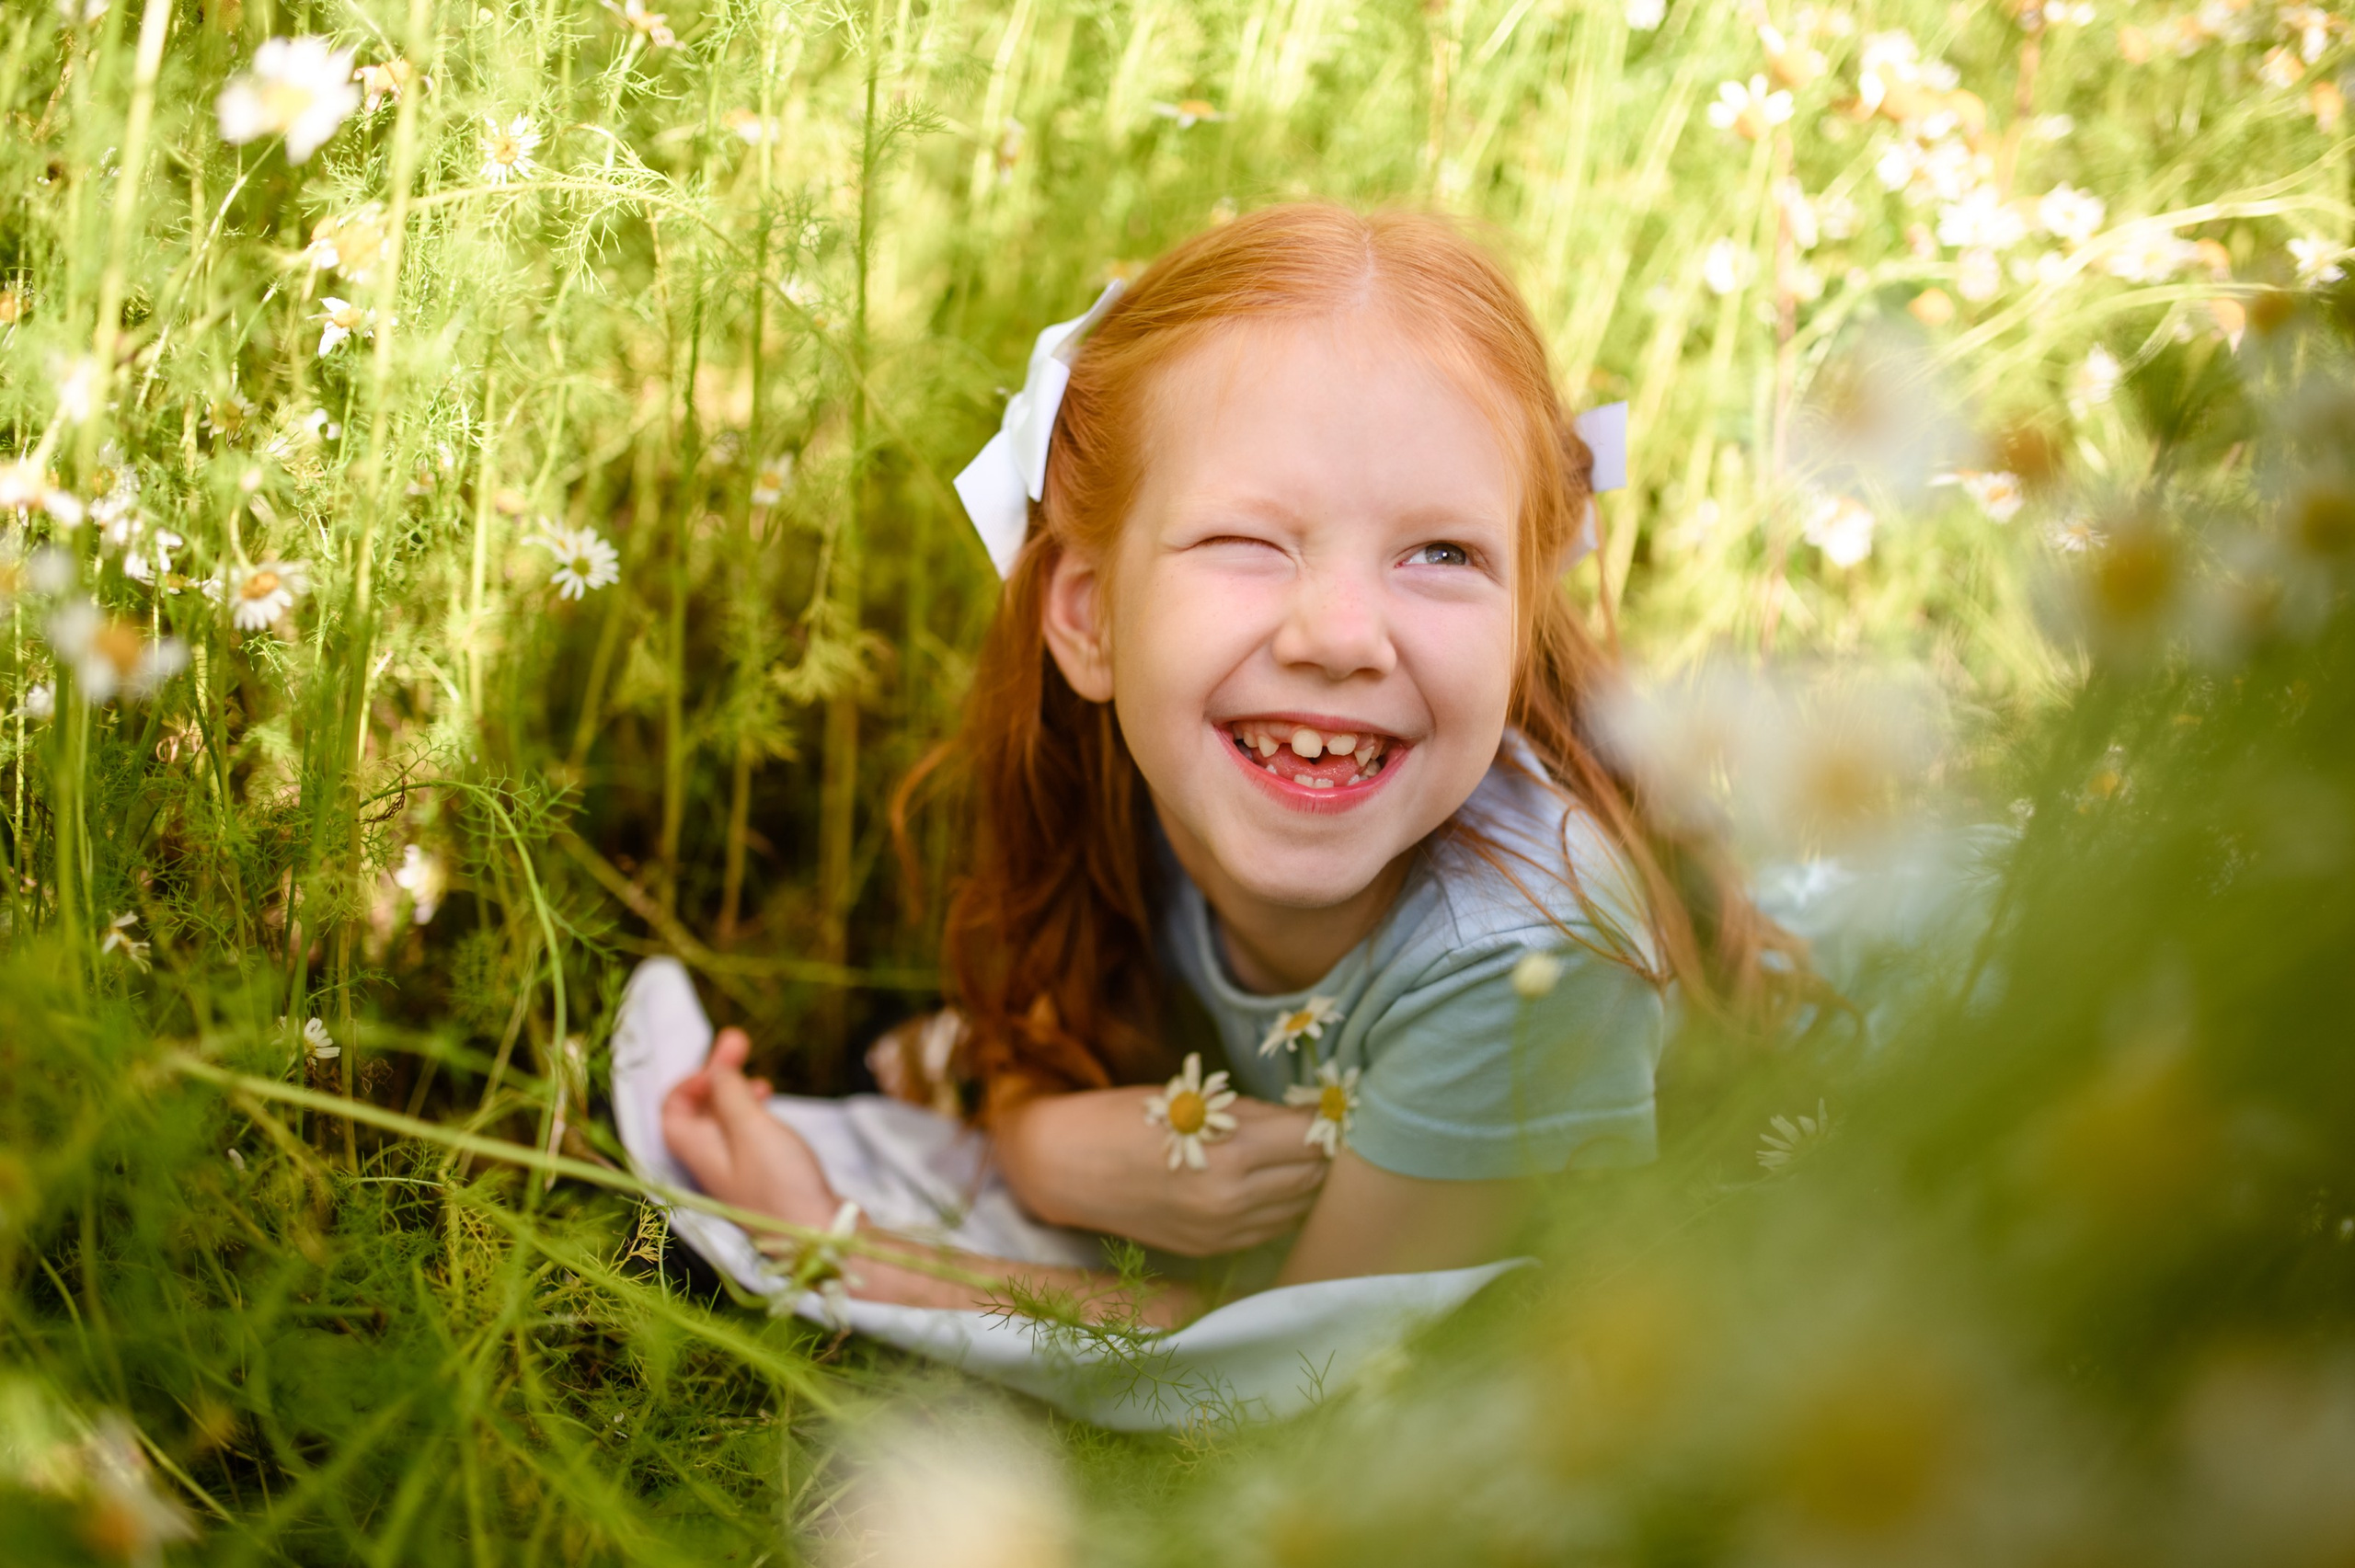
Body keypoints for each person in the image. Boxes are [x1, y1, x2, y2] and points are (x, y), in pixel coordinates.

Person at [661, 201, 1806, 1328]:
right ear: (1091, 618)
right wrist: (1034, 1138)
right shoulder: (1148, 769)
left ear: (1522, 617)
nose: (1341, 636)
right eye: (1246, 541)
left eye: (1441, 552)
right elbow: (1047, 1012)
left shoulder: (1524, 957)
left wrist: (839, 1243)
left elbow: (1289, 1363)